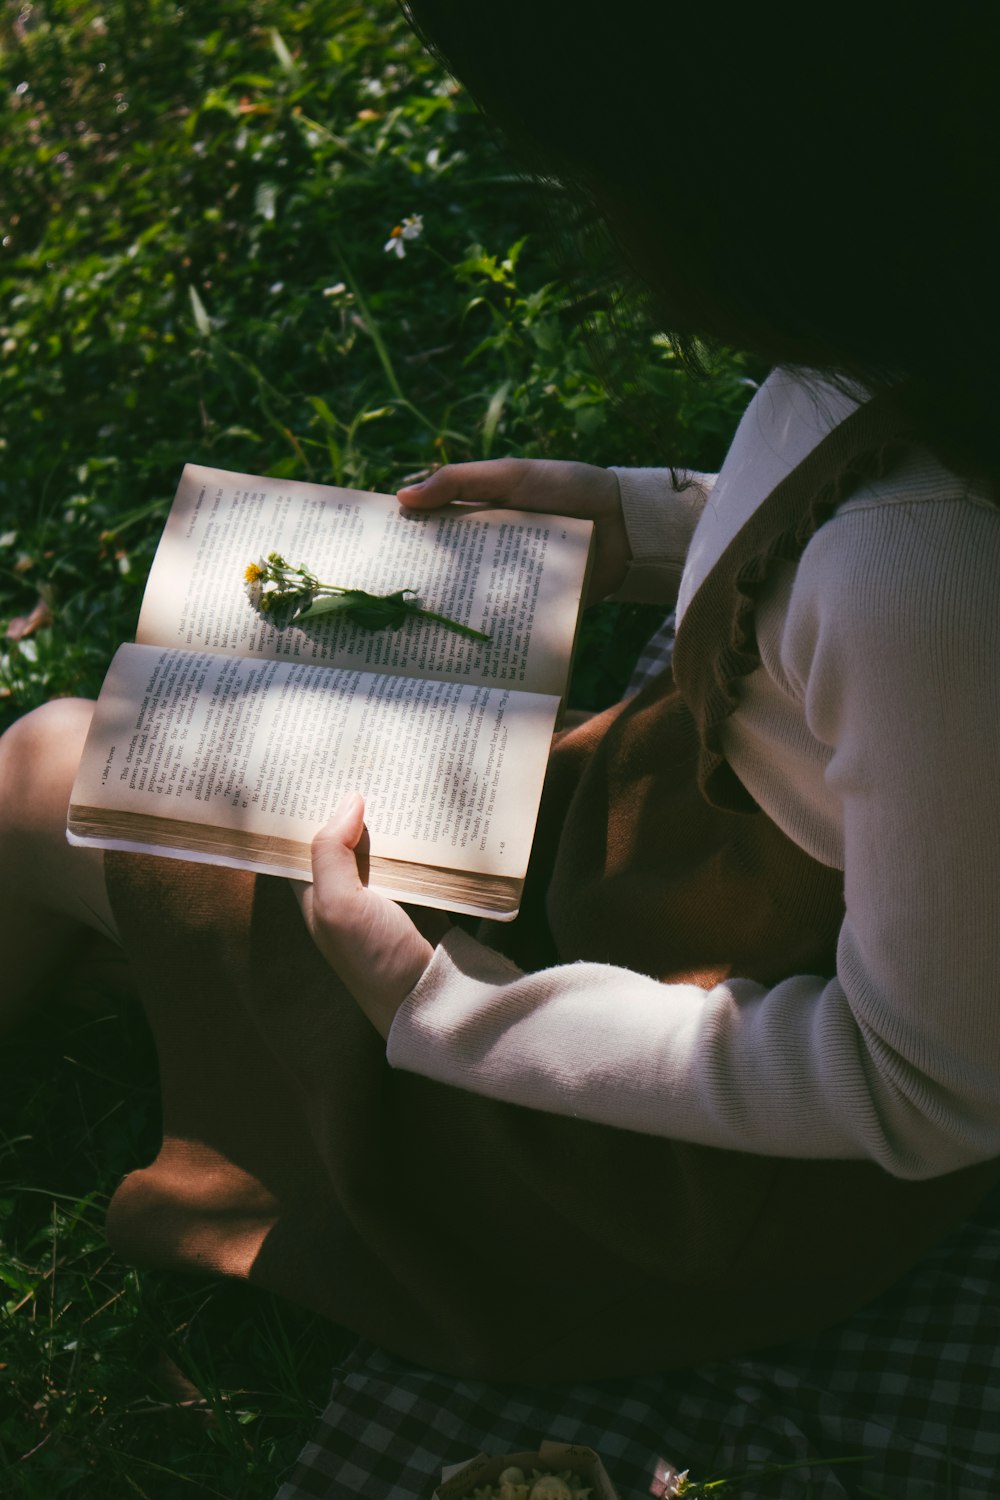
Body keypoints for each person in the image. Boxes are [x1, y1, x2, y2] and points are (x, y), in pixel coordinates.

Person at [2, 0, 999, 1430]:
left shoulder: (936, 583)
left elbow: (928, 1086)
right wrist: (634, 526)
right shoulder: (944, 334)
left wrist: (445, 1004)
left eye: (595, 177)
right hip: (662, 872)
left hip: (654, 1148)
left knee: (44, 762)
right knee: (182, 733)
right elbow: (858, 553)